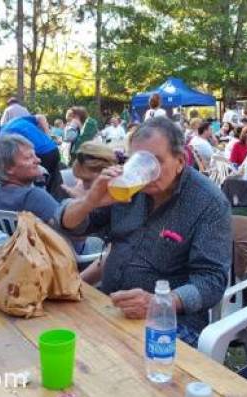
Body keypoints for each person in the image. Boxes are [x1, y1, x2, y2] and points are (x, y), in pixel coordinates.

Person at [58, 117, 232, 345]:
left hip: (172, 321)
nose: (146, 171)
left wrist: (158, 302)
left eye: (156, 161)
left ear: (180, 161)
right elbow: (67, 224)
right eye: (139, 160)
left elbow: (211, 281)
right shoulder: (127, 186)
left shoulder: (209, 202)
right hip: (111, 306)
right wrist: (90, 200)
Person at [0, 114, 63, 200]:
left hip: (40, 153)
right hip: (53, 149)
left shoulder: (2, 134)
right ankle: (54, 205)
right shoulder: (18, 119)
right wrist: (48, 135)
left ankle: (40, 205)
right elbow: (41, 117)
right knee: (53, 185)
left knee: (38, 186)